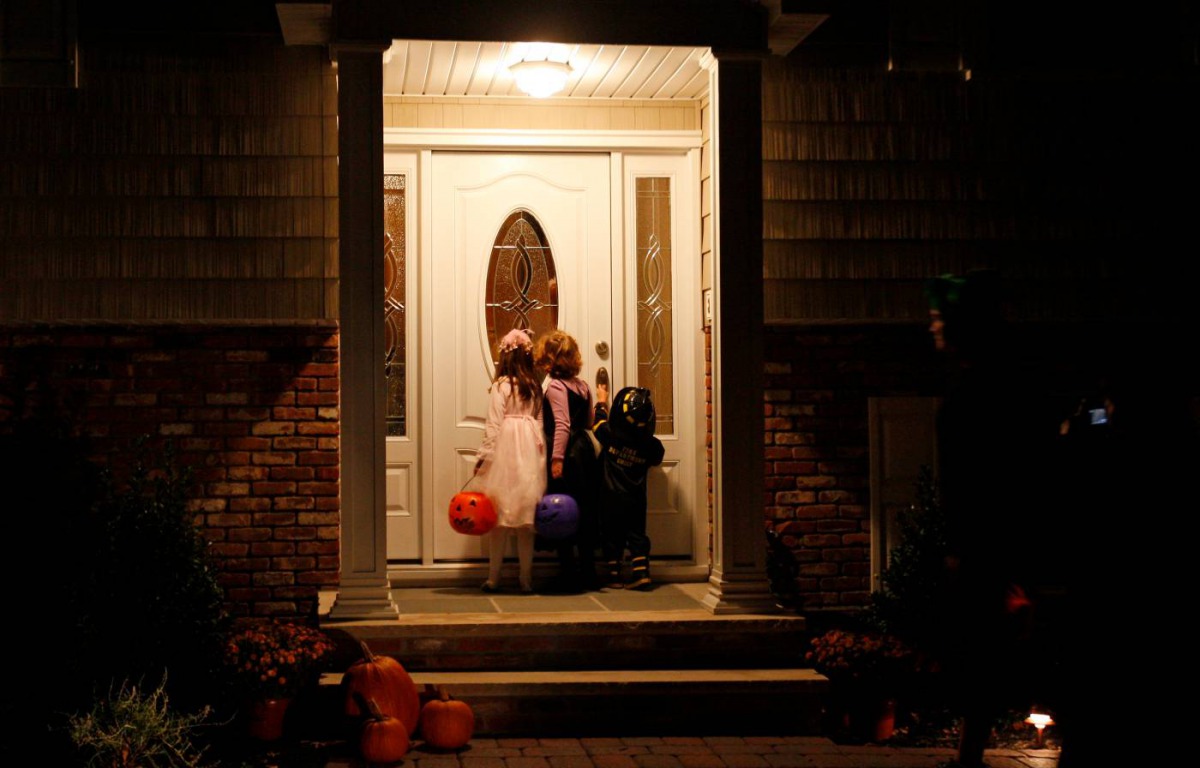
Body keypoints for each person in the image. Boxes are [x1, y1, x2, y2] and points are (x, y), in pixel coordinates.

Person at [924, 270, 1046, 768]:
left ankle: (969, 757)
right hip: (983, 542)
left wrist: (974, 548)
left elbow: (998, 475)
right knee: (980, 655)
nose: (931, 327)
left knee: (984, 653)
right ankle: (968, 754)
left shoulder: (987, 390)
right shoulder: (980, 381)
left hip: (989, 543)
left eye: (938, 318)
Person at [474, 328, 546, 594]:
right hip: (530, 450)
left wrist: (484, 458)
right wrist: (540, 455)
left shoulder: (501, 386)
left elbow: (493, 425)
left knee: (500, 517)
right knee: (526, 520)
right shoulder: (535, 386)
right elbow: (539, 423)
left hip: (505, 451)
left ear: (505, 358)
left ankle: (494, 578)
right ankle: (525, 579)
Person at [534, 329, 601, 592]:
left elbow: (562, 424)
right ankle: (589, 570)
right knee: (582, 508)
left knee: (561, 510)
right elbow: (588, 421)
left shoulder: (555, 386)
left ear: (550, 359)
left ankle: (569, 572)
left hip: (565, 452)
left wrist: (556, 459)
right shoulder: (582, 386)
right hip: (582, 450)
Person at [592, 384, 665, 590]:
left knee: (610, 533)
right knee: (636, 533)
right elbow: (658, 456)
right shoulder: (650, 445)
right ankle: (641, 572)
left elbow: (598, 423)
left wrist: (601, 400)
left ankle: (614, 575)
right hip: (635, 497)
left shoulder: (610, 435)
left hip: (610, 494)